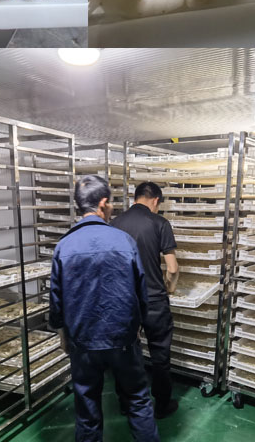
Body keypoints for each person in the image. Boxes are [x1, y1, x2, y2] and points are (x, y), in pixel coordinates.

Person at [48, 174, 160, 442]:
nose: (111, 209)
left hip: (83, 342)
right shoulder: (123, 241)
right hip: (123, 340)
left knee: (87, 409)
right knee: (137, 401)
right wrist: (138, 326)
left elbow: (56, 300)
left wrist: (63, 334)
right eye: (110, 204)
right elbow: (141, 292)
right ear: (103, 203)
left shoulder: (64, 246)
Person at [111, 181, 179, 419]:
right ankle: (162, 405)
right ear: (156, 200)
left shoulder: (115, 224)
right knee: (160, 355)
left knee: (125, 353)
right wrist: (169, 288)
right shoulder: (160, 223)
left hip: (124, 300)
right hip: (154, 300)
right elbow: (172, 268)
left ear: (135, 198)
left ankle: (126, 403)